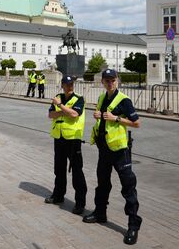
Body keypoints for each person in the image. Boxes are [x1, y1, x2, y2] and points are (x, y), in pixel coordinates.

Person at [83, 69, 142, 246]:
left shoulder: (124, 100)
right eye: (107, 80)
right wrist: (98, 116)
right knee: (102, 183)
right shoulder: (102, 98)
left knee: (128, 187)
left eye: (113, 80)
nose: (110, 83)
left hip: (120, 150)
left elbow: (137, 123)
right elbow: (103, 118)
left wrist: (116, 118)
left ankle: (133, 225)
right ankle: (100, 213)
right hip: (104, 149)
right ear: (102, 82)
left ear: (117, 81)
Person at [45, 75, 87, 215]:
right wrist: (64, 111)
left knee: (77, 172)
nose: (70, 86)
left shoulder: (78, 99)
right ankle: (58, 196)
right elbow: (51, 115)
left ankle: (80, 204)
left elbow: (74, 114)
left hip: (73, 139)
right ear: (62, 85)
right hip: (59, 138)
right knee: (59, 169)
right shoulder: (58, 96)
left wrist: (61, 107)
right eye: (67, 84)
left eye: (72, 84)